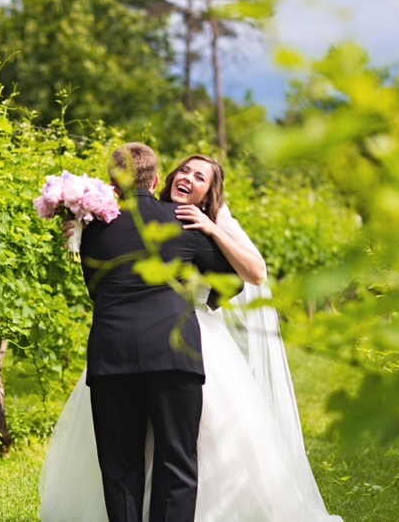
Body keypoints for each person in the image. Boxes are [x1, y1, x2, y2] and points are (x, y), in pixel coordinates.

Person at [39, 152, 343, 522]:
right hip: (172, 348)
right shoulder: (147, 223)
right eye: (184, 170)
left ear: (209, 194)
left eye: (200, 177)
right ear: (161, 179)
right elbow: (228, 283)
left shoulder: (189, 224)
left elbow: (254, 272)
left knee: (138, 460)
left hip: (161, 341)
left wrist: (212, 230)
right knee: (175, 458)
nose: (189, 178)